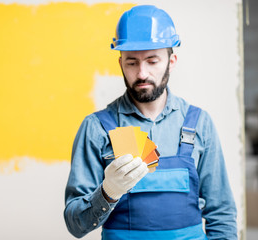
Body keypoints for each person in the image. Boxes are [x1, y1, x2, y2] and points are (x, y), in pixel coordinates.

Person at [63, 5, 237, 240]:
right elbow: (76, 226)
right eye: (132, 62)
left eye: (152, 61)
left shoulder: (199, 124)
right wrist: (107, 192)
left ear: (171, 61)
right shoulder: (96, 128)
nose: (142, 73)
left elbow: (222, 215)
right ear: (120, 63)